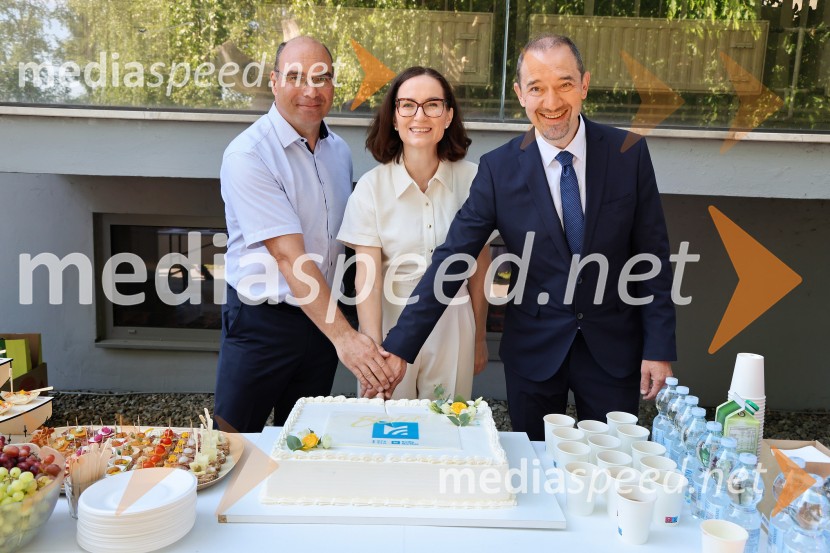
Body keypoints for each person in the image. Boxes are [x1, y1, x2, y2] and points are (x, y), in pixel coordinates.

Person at [381, 34, 677, 440]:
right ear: (521, 94)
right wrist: (399, 348)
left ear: (584, 85)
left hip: (614, 349)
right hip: (534, 353)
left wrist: (658, 348)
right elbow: (453, 260)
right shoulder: (498, 169)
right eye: (537, 88)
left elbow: (653, 257)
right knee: (534, 473)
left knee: (613, 471)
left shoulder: (628, 153)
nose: (551, 102)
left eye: (564, 84)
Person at [214, 36, 396, 433]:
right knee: (232, 443)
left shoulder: (339, 152)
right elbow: (288, 257)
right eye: (296, 76)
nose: (311, 90)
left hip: (322, 324)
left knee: (306, 441)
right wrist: (347, 339)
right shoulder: (248, 155)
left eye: (322, 77)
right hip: (263, 324)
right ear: (274, 81)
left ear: (333, 84)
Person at [337, 67, 491, 400]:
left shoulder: (474, 180)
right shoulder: (370, 188)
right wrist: (373, 351)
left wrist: (479, 337)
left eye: (432, 104)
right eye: (407, 105)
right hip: (391, 318)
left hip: (454, 318)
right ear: (393, 118)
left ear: (448, 115)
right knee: (390, 428)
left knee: (447, 425)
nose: (419, 115)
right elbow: (368, 278)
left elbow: (479, 268)